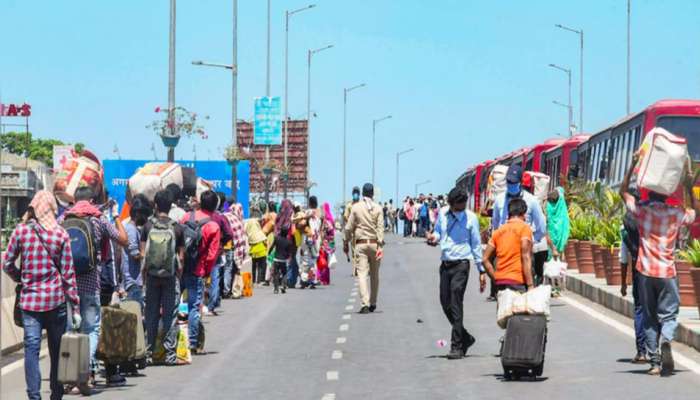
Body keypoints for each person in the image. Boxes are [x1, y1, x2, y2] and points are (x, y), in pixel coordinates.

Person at [620, 154, 698, 376]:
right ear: (665, 193)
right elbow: (696, 211)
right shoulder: (675, 213)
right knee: (670, 314)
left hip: (644, 271)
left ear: (649, 190)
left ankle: (654, 363)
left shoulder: (642, 210)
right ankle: (666, 339)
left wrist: (633, 163)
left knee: (649, 316)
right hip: (667, 271)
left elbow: (623, 192)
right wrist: (689, 183)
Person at [3, 191, 81, 400]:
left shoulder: (21, 232)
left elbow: (6, 263)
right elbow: (68, 275)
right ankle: (56, 395)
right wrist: (75, 306)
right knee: (57, 352)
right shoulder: (61, 234)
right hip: (56, 303)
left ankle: (34, 396)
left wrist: (20, 277)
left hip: (29, 304)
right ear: (52, 208)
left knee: (31, 351)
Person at [59, 186, 128, 388]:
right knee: (92, 329)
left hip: (67, 284)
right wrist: (115, 216)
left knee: (70, 330)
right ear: (91, 200)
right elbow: (123, 240)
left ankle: (70, 376)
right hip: (91, 284)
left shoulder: (63, 220)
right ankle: (86, 372)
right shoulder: (99, 219)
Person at [426, 187, 485, 360]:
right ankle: (465, 337)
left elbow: (475, 244)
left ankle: (457, 346)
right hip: (445, 264)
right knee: (445, 303)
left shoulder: (470, 219)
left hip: (461, 265)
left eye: (457, 206)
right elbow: (438, 232)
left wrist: (481, 269)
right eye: (452, 206)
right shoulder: (444, 213)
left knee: (456, 301)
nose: (454, 209)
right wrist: (433, 238)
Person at [490, 164, 546, 300]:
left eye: (514, 182)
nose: (511, 185)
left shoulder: (532, 201)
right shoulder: (499, 201)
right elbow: (495, 225)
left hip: (524, 253)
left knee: (525, 292)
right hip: (504, 254)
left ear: (520, 182)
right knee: (504, 297)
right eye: (509, 182)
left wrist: (530, 241)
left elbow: (542, 227)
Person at [142, 190, 185, 365]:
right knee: (170, 315)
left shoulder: (147, 226)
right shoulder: (177, 228)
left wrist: (144, 276)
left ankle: (149, 353)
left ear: (156, 205)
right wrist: (178, 276)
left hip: (152, 276)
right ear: (171, 205)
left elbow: (142, 253)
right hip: (170, 276)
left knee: (151, 314)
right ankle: (170, 355)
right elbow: (181, 257)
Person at [180, 190, 221, 353]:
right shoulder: (213, 226)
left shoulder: (185, 217)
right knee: (194, 307)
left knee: (174, 302)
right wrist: (207, 272)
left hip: (180, 267)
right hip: (197, 270)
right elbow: (212, 255)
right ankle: (191, 342)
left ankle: (170, 337)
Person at [344, 183, 384, 314]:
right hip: (374, 244)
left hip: (360, 245)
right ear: (373, 194)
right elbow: (380, 229)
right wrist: (380, 245)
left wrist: (346, 241)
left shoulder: (356, 208)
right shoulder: (378, 208)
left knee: (362, 274)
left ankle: (365, 304)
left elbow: (348, 227)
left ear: (362, 194)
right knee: (375, 275)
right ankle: (373, 302)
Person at [482, 198, 535, 292]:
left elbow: (485, 259)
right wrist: (530, 284)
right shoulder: (524, 228)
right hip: (518, 281)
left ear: (509, 214)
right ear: (523, 214)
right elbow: (525, 256)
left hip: (500, 282)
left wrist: (495, 277)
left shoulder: (498, 232)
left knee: (503, 306)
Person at [619, 191, 647, 364]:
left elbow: (623, 258)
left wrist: (623, 283)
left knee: (639, 309)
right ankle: (656, 347)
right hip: (655, 270)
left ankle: (642, 351)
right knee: (654, 310)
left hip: (638, 270)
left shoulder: (625, 226)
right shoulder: (648, 220)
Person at [119, 194, 152, 309]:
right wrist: (147, 254)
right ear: (138, 214)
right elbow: (135, 254)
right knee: (135, 313)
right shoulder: (131, 230)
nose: (146, 219)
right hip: (133, 281)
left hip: (134, 280)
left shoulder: (133, 229)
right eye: (145, 216)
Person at [223, 201, 249, 298]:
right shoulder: (237, 220)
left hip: (223, 246)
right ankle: (230, 290)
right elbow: (240, 238)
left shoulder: (224, 216)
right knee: (230, 268)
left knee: (224, 269)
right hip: (232, 248)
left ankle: (225, 290)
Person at [300, 196, 322, 289]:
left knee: (305, 260)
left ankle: (304, 280)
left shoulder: (308, 212)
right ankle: (313, 280)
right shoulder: (319, 214)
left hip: (307, 239)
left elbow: (302, 223)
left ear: (309, 203)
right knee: (313, 261)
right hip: (316, 239)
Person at [245, 211, 268, 285]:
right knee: (262, 265)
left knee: (254, 265)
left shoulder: (249, 229)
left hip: (253, 248)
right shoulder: (260, 233)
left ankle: (254, 280)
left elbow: (246, 232)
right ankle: (261, 280)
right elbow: (265, 241)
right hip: (261, 248)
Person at [271, 225, 294, 294]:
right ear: (287, 233)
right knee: (284, 273)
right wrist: (290, 258)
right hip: (284, 260)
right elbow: (290, 252)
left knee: (276, 274)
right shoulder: (289, 241)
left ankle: (276, 289)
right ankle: (283, 286)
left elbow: (272, 246)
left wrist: (268, 253)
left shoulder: (276, 238)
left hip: (276, 259)